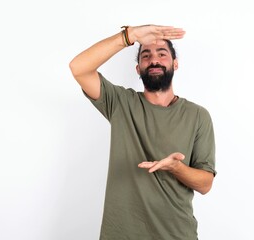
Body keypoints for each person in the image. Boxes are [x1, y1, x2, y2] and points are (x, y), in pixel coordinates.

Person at [69, 24, 216, 240]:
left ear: (175, 64)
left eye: (162, 54)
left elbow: (205, 184)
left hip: (176, 234)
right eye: (145, 55)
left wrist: (176, 168)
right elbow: (78, 68)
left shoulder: (198, 116)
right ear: (138, 69)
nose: (154, 60)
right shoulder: (121, 103)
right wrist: (129, 36)